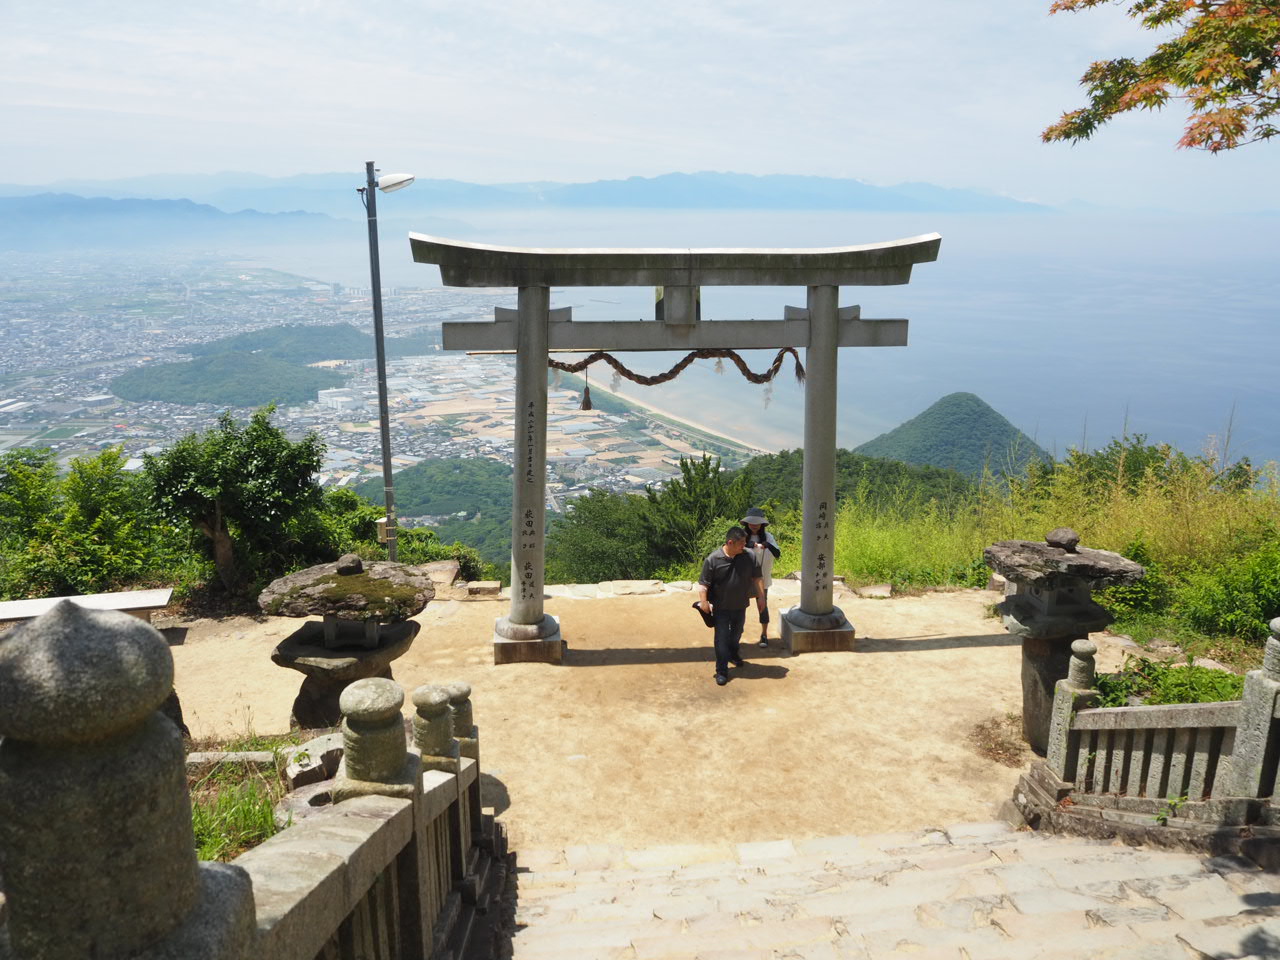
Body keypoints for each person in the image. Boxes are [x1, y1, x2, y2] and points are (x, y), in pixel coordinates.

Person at [698, 525, 764, 686]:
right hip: (720, 607)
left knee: (736, 633)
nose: (745, 546)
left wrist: (762, 598)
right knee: (721, 639)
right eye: (741, 543)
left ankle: (733, 653)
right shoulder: (713, 560)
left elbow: (757, 578)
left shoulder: (749, 556)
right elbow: (703, 584)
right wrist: (704, 602)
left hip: (740, 605)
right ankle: (722, 670)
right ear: (730, 542)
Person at [742, 508, 781, 647]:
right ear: (747, 523)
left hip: (762, 579)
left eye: (757, 523)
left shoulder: (768, 537)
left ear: (762, 524)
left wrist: (767, 545)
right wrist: (750, 545)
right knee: (739, 607)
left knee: (762, 606)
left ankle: (764, 635)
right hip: (743, 579)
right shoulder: (742, 536)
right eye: (752, 522)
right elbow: (734, 549)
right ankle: (736, 634)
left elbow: (777, 554)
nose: (754, 525)